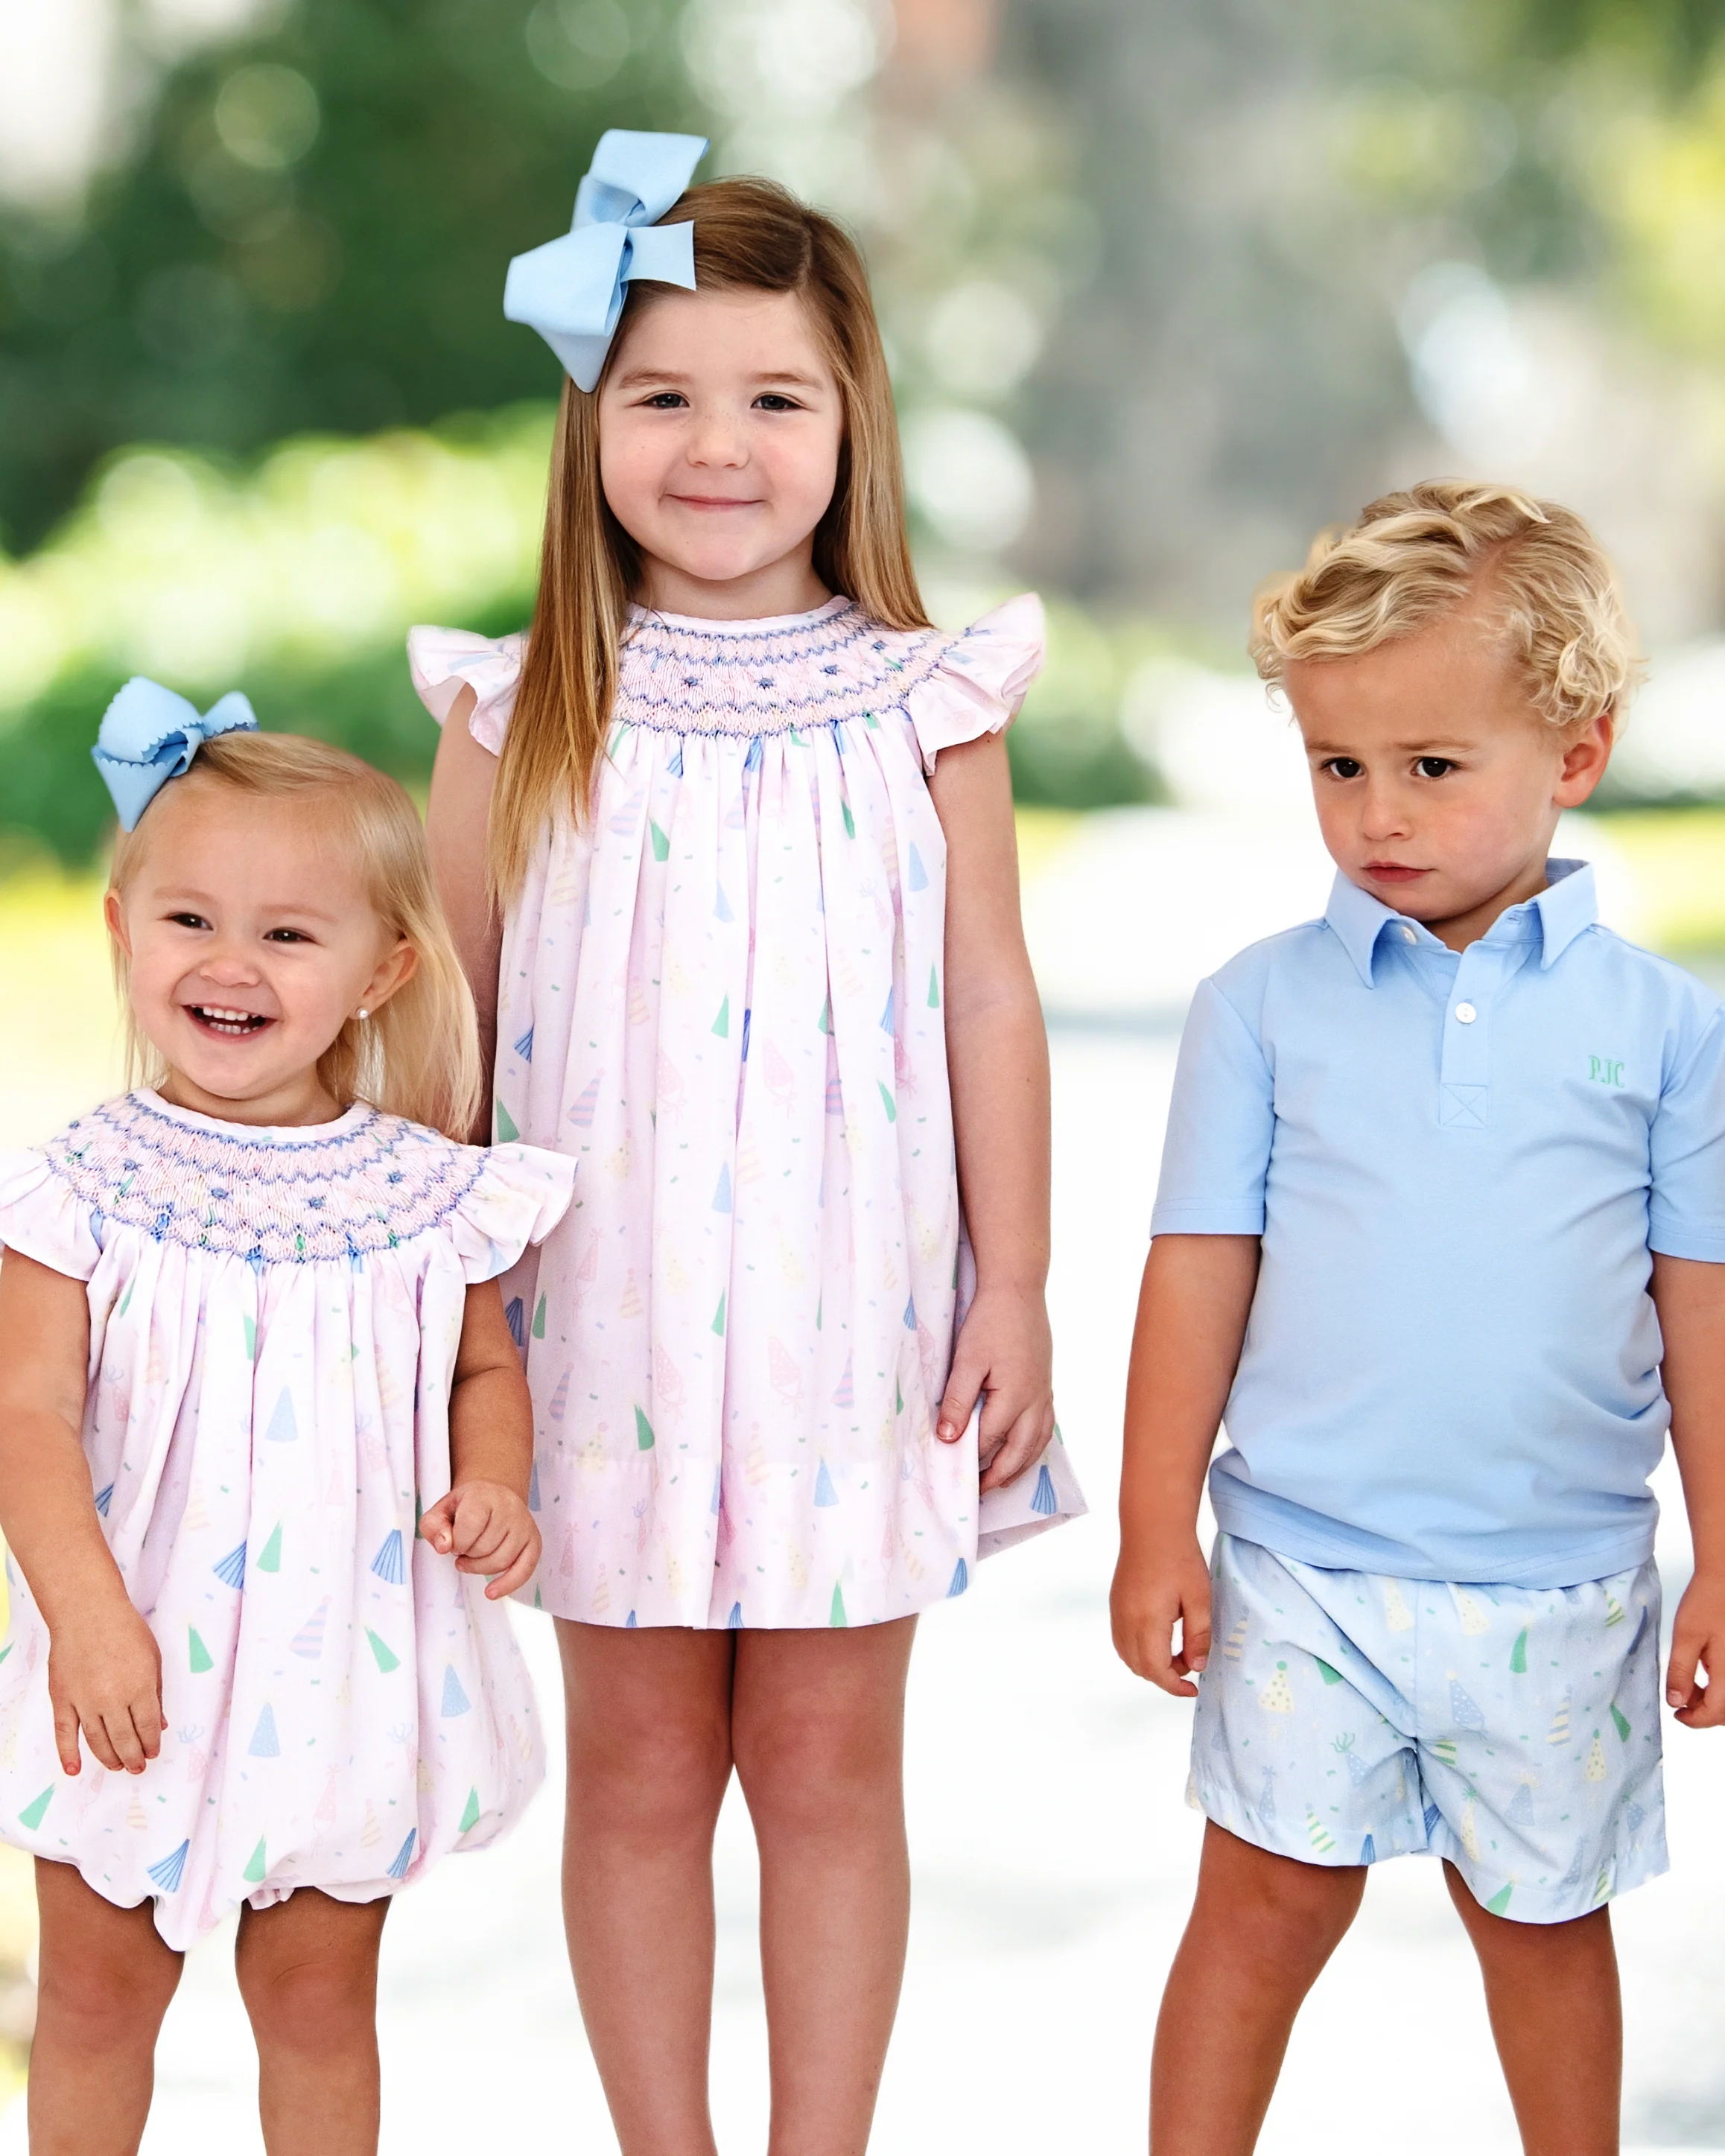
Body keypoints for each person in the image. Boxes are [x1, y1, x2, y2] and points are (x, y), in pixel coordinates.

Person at [415, 129, 1084, 2155]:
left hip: (847, 1324)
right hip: (589, 1334)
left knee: (825, 1763)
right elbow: (438, 1017)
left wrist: (1021, 1278)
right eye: (663, 395)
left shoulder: (926, 706)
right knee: (634, 1766)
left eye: (773, 395)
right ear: (589, 423)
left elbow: (988, 997)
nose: (719, 444)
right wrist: (456, 1339)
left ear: (851, 418)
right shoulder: (516, 708)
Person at [1111, 481, 1725, 2156]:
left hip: (1564, 1582)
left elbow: (1700, 1310)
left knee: (1541, 1928)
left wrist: (1724, 1555)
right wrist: (1153, 1521)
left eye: (1432, 766)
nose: (1377, 812)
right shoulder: (1259, 1008)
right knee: (1258, 1915)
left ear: (1575, 752)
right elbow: (1196, 1271)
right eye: (1337, 765)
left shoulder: (1669, 1028)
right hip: (1309, 1571)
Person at [0, 684, 574, 2156]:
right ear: (123, 932)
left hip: (340, 1668)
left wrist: (496, 1485)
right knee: (93, 2002)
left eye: (287, 932)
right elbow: (26, 1412)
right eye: (189, 920)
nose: (230, 963)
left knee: (320, 2013)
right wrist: (86, 1617)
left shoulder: (423, 1193)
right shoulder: (81, 1187)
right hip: (124, 1658)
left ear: (383, 971)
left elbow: (482, 1371)